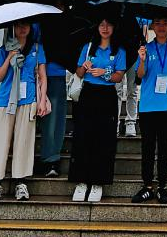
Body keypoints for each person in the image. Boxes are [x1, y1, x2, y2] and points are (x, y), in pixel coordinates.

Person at [0, 20, 49, 203]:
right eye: (19, 25)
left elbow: (43, 77)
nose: (22, 28)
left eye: (26, 25)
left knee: (24, 140)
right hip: (6, 100)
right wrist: (9, 57)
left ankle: (21, 181)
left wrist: (42, 100)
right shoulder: (4, 49)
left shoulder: (37, 48)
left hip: (28, 99)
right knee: (0, 140)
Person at [131, 15, 167, 205]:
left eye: (165, 23)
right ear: (152, 26)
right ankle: (147, 186)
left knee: (164, 147)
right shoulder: (146, 48)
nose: (161, 26)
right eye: (158, 23)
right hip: (148, 105)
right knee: (147, 147)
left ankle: (163, 185)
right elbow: (140, 76)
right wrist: (141, 60)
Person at [69, 17, 125, 203]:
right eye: (101, 24)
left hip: (107, 95)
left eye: (108, 24)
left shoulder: (119, 50)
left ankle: (98, 182)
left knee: (104, 139)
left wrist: (105, 73)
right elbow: (78, 73)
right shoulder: (88, 47)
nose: (105, 28)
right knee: (83, 137)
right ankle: (81, 182)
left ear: (114, 27)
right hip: (88, 94)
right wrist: (84, 68)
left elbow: (119, 77)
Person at [37, 0, 73, 178]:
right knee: (48, 122)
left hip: (58, 76)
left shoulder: (69, 26)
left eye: (62, 5)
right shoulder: (42, 23)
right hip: (38, 76)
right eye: (56, 5)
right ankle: (46, 158)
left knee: (56, 121)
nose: (59, 9)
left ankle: (53, 159)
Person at [118, 0, 144, 138]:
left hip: (136, 52)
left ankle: (131, 122)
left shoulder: (143, 6)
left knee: (133, 90)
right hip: (119, 52)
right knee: (117, 89)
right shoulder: (117, 6)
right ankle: (115, 122)